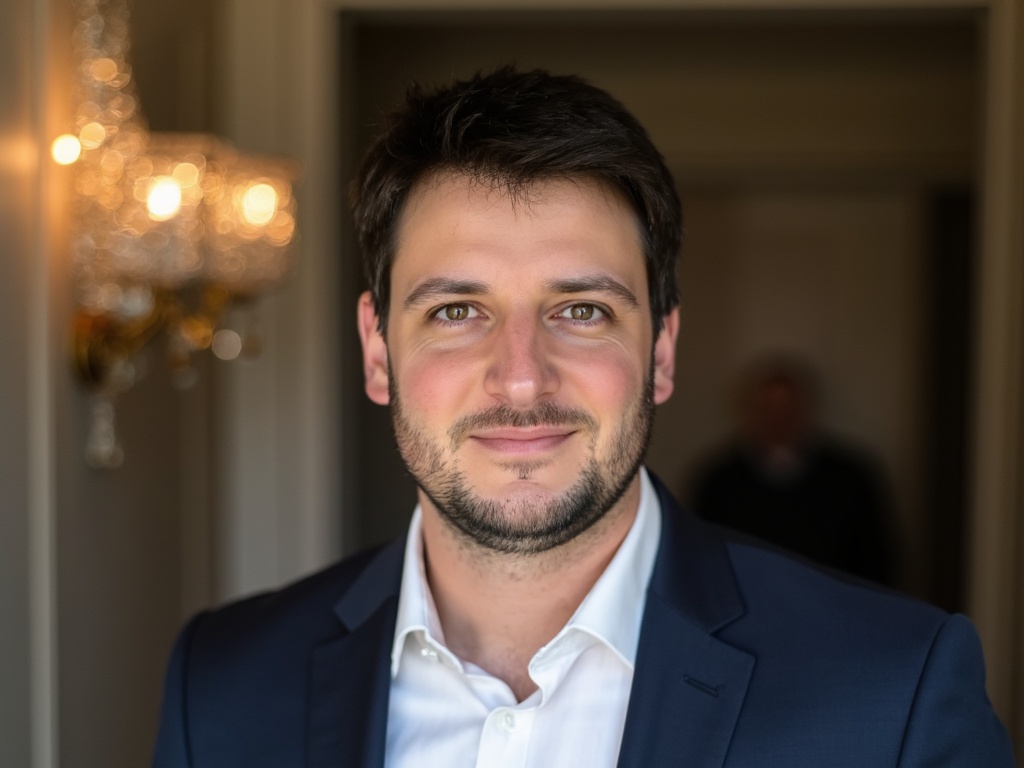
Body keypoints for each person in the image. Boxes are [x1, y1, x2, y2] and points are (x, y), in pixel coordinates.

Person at [152, 67, 1015, 767]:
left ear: (662, 350)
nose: (521, 380)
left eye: (582, 311)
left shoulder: (892, 690)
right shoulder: (222, 684)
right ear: (378, 352)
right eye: (457, 311)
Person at [692, 355, 897, 585]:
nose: (779, 419)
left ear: (806, 409)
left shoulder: (850, 478)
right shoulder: (720, 481)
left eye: (787, 408)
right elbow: (701, 557)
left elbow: (877, 559)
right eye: (769, 408)